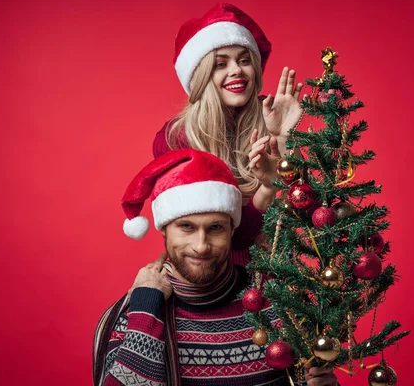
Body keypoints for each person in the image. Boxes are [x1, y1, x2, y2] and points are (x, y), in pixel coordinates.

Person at [93, 149, 337, 386]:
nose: (201, 246)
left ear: (232, 229)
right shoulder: (132, 316)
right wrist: (147, 306)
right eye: (186, 226)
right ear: (164, 229)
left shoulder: (279, 305)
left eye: (215, 228)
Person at [152, 3, 305, 266]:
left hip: (278, 276)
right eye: (220, 63)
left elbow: (313, 214)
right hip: (210, 277)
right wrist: (268, 188)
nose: (236, 70)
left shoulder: (272, 115)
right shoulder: (176, 139)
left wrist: (285, 142)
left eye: (244, 60)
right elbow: (225, 239)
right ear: (200, 76)